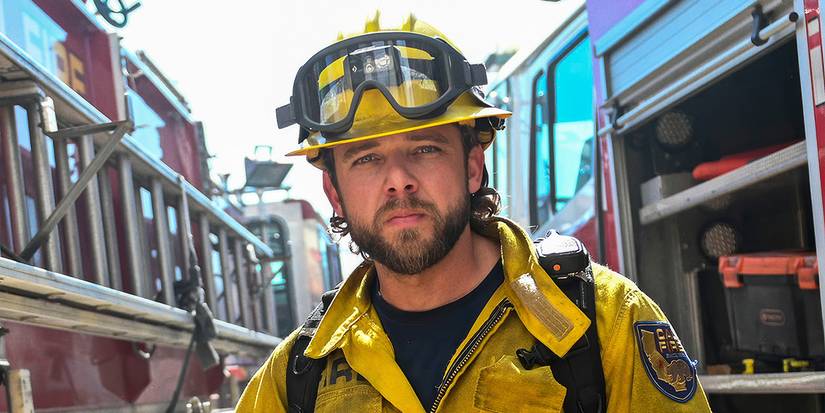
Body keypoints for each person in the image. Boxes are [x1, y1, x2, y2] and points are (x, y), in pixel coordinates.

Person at [237, 13, 711, 413]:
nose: (398, 179)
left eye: (425, 148)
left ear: (471, 166)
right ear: (334, 192)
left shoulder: (603, 321)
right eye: (366, 159)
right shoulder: (298, 375)